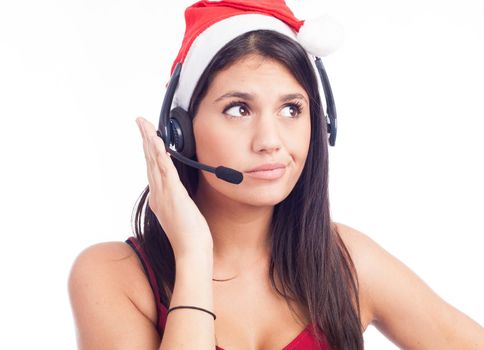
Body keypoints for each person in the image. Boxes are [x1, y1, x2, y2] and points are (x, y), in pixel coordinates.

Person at [67, 1, 484, 349]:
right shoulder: (112, 274)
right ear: (181, 130)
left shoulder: (347, 262)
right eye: (239, 109)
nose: (271, 141)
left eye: (291, 109)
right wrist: (193, 255)